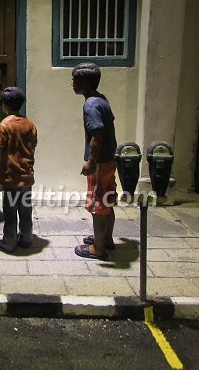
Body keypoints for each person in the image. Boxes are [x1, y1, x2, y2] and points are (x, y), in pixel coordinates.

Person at [0, 87, 37, 252]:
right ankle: (26, 238)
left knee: (10, 210)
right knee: (25, 209)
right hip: (27, 175)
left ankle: (9, 242)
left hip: (11, 177)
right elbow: (33, 145)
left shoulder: (5, 124)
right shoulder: (30, 124)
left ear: (4, 106)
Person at [71, 62, 118, 260]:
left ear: (85, 83)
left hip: (99, 163)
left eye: (75, 80)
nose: (72, 83)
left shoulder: (90, 105)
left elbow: (96, 136)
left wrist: (90, 163)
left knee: (98, 206)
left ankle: (98, 248)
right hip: (109, 160)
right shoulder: (101, 99)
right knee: (107, 201)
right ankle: (107, 238)